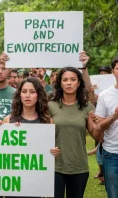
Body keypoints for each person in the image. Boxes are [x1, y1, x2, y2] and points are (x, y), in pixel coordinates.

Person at [0, 77, 60, 198]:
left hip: (36, 181)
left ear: (38, 95)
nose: (27, 95)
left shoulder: (47, 121)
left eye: (32, 92)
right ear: (19, 94)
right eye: (24, 91)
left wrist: (52, 152)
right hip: (14, 180)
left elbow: (48, 151)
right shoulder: (8, 120)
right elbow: (1, 152)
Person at [49, 56, 101, 197]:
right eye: (65, 80)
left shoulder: (86, 107)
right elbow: (40, 133)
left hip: (79, 167)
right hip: (55, 166)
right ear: (60, 83)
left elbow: (97, 135)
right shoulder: (50, 106)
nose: (69, 83)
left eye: (73, 79)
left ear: (79, 83)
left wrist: (99, 124)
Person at [95, 56, 118, 198]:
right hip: (111, 154)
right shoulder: (105, 95)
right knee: (113, 194)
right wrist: (114, 117)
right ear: (113, 72)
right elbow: (99, 126)